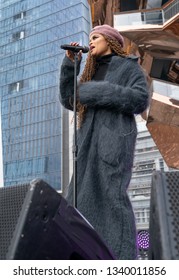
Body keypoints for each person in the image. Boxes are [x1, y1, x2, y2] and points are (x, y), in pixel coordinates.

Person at [59, 24, 149, 259]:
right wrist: (71, 64)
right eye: (89, 37)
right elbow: (70, 98)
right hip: (85, 146)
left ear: (110, 41)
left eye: (95, 37)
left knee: (111, 200)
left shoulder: (128, 67)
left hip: (113, 144)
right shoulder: (89, 71)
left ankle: (122, 259)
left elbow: (140, 99)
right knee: (75, 203)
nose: (91, 41)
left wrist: (97, 92)